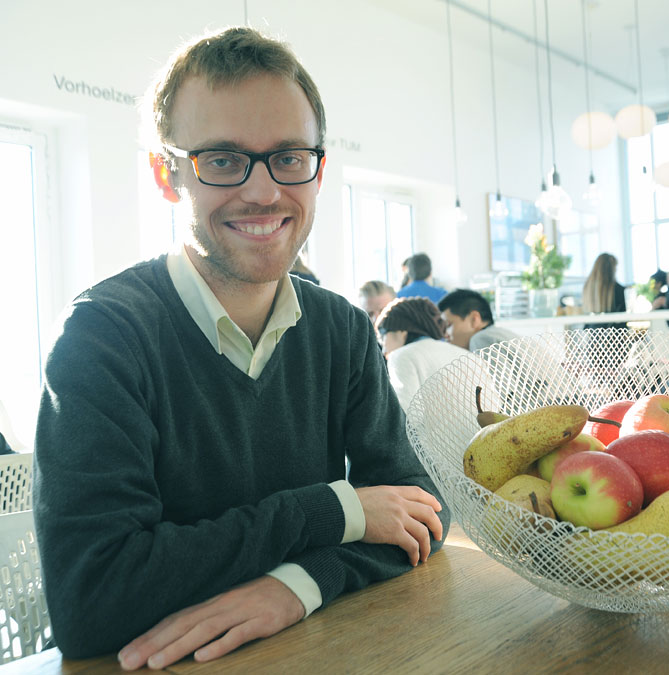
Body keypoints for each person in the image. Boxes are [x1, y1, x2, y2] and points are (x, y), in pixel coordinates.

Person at [32, 27, 449, 667]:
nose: (262, 191)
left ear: (318, 168)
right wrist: (333, 512)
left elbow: (418, 511)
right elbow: (93, 600)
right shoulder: (103, 337)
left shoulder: (340, 328)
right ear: (166, 173)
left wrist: (297, 585)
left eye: (289, 157)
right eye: (223, 160)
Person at [375, 298, 471, 411]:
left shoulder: (401, 356)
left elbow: (405, 417)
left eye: (382, 337)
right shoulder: (466, 355)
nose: (383, 348)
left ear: (401, 331)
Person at [438, 289, 518, 351]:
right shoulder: (499, 334)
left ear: (474, 319)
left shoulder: (481, 339)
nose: (445, 335)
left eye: (448, 325)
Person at [581, 253, 627, 330]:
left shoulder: (587, 287)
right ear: (612, 269)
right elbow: (623, 317)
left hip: (593, 335)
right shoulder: (619, 289)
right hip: (615, 336)